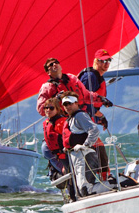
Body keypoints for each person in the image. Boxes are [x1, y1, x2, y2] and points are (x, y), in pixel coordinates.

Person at [37, 57, 113, 116]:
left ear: (60, 66)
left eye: (56, 62)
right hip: (64, 120)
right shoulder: (47, 87)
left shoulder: (72, 78)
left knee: (92, 132)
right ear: (48, 72)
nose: (54, 64)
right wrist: (55, 100)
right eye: (51, 64)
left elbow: (86, 95)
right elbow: (41, 109)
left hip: (82, 114)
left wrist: (101, 99)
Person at [78, 48, 112, 179]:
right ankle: (104, 179)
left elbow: (90, 107)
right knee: (99, 149)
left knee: (99, 149)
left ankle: (102, 178)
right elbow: (83, 102)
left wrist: (100, 117)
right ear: (96, 61)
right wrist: (98, 115)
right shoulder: (90, 77)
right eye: (103, 61)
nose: (106, 63)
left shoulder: (97, 76)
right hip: (82, 122)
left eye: (108, 60)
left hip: (86, 119)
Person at [61, 91, 100, 197]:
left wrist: (86, 145)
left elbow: (94, 130)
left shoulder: (80, 116)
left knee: (85, 186)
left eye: (70, 103)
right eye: (65, 104)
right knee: (80, 187)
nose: (68, 106)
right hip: (76, 157)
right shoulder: (71, 119)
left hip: (84, 155)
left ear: (76, 103)